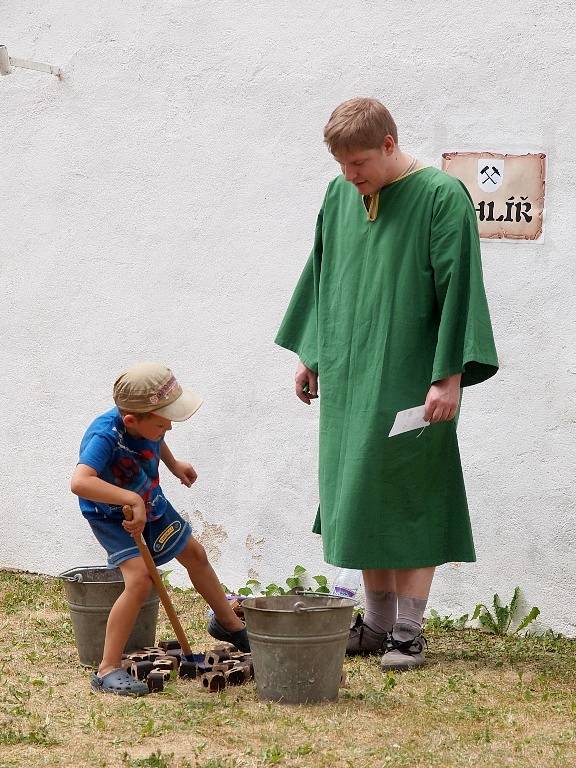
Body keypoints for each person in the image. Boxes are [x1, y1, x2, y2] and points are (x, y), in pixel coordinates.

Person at [275, 98, 498, 671]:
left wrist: (448, 379)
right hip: (349, 378)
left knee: (413, 495)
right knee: (360, 490)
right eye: (343, 165)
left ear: (391, 144)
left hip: (411, 378)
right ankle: (374, 625)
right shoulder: (338, 196)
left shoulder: (440, 197)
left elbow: (459, 289)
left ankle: (408, 630)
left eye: (361, 163)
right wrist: (314, 356)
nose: (352, 176)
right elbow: (322, 274)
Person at [70, 362, 249, 695]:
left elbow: (156, 439)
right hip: (114, 516)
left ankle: (230, 625)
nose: (169, 425)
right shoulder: (104, 435)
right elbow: (80, 482)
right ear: (131, 421)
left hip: (151, 502)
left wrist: (173, 463)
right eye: (163, 420)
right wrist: (130, 500)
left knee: (195, 554)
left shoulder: (147, 422)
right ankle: (107, 668)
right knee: (140, 580)